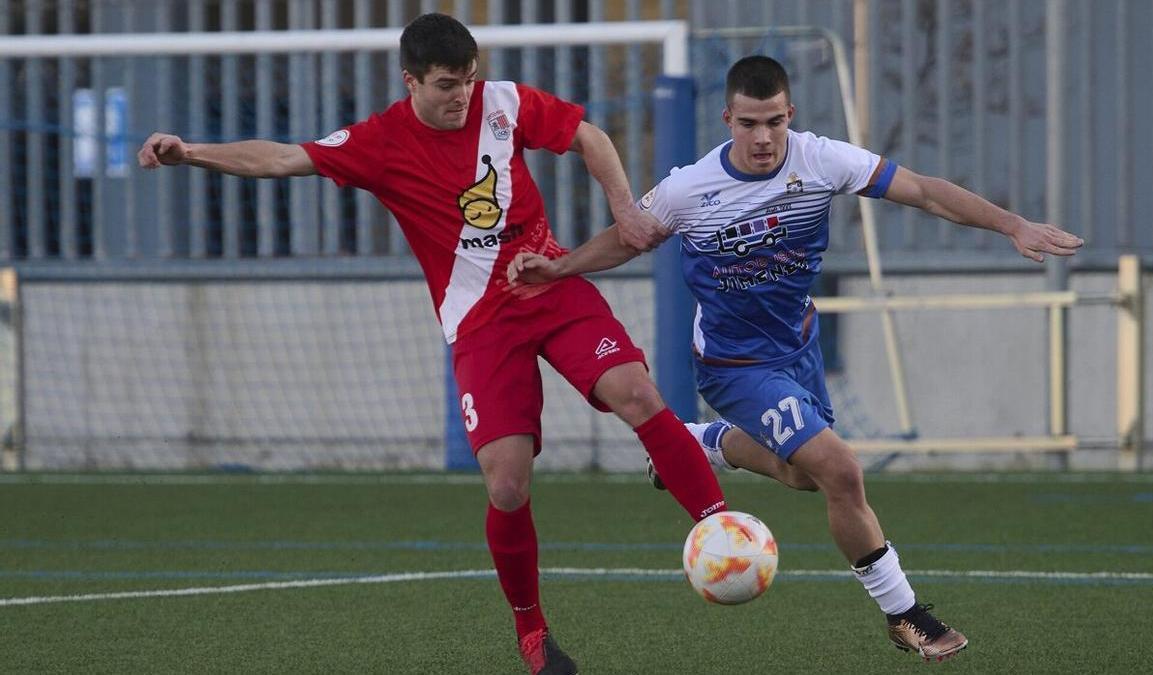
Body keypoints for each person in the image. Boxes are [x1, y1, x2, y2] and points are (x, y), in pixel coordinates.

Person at [137, 13, 729, 675]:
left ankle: (721, 526)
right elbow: (282, 158)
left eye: (468, 80)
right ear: (411, 80)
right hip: (481, 324)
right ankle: (532, 632)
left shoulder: (503, 103)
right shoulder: (380, 141)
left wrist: (623, 206)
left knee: (639, 392)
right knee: (506, 484)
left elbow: (588, 135)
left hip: (551, 286)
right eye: (447, 84)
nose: (462, 96)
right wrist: (191, 153)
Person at [508, 54, 1085, 663]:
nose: (763, 138)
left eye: (775, 123)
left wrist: (1012, 224)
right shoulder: (690, 187)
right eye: (750, 123)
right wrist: (560, 268)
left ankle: (705, 442)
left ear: (792, 116)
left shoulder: (820, 159)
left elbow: (923, 192)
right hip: (733, 365)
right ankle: (905, 614)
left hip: (797, 348)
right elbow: (629, 238)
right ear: (728, 118)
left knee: (803, 476)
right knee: (841, 470)